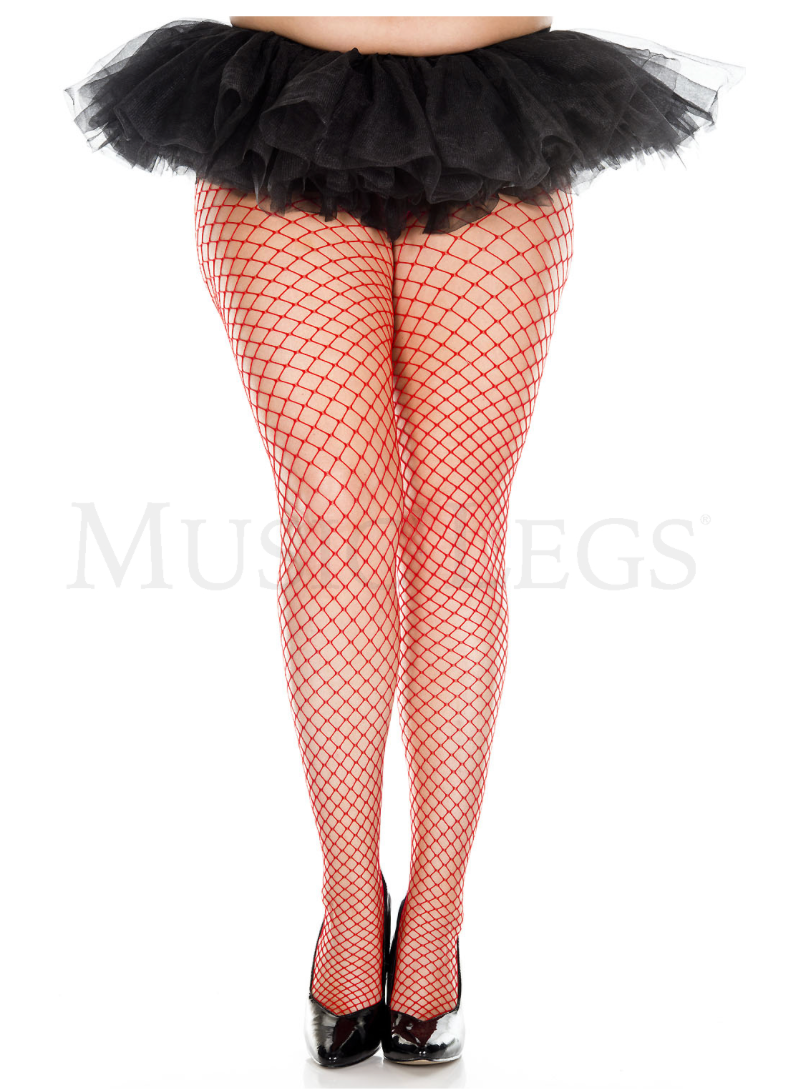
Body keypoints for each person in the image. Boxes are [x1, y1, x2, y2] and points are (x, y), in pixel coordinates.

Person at [62, 15, 744, 1068]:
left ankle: (437, 917)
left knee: (459, 537)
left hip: (493, 105)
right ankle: (348, 902)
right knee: (331, 523)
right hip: (280, 109)